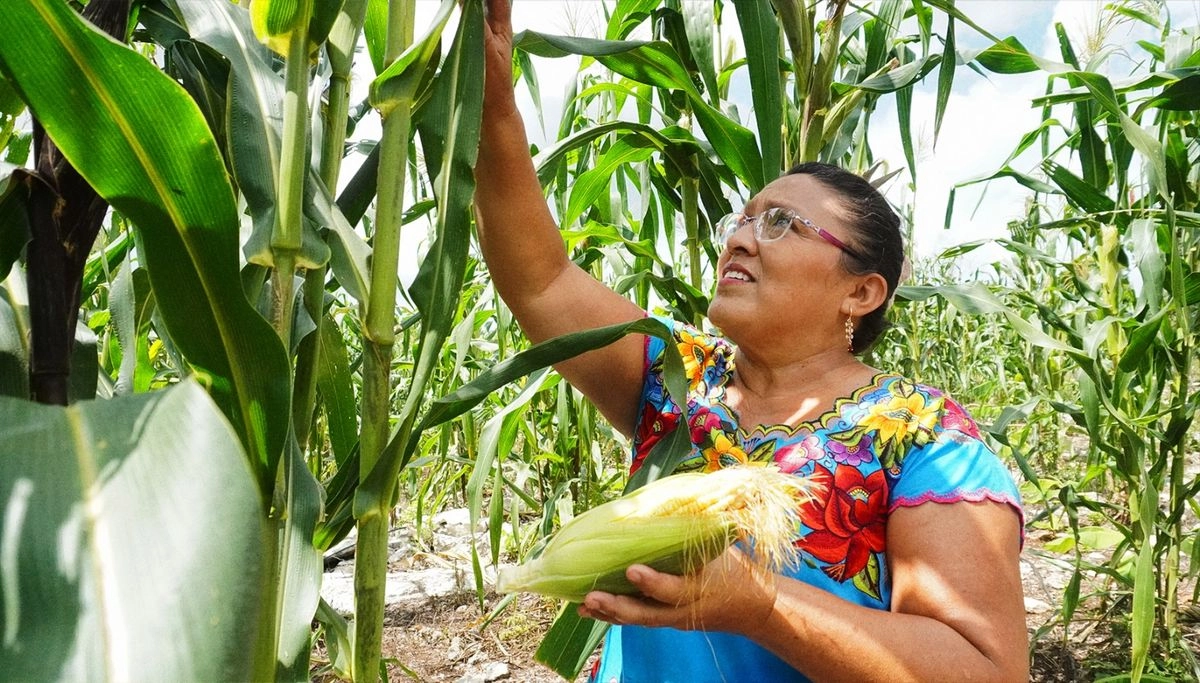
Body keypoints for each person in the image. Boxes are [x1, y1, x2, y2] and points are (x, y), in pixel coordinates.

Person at [474, 1, 1028, 680]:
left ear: (862, 291)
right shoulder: (676, 376)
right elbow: (541, 281)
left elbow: (984, 669)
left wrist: (758, 604)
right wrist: (493, 99)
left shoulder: (923, 438)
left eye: (780, 223)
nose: (738, 236)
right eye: (742, 219)